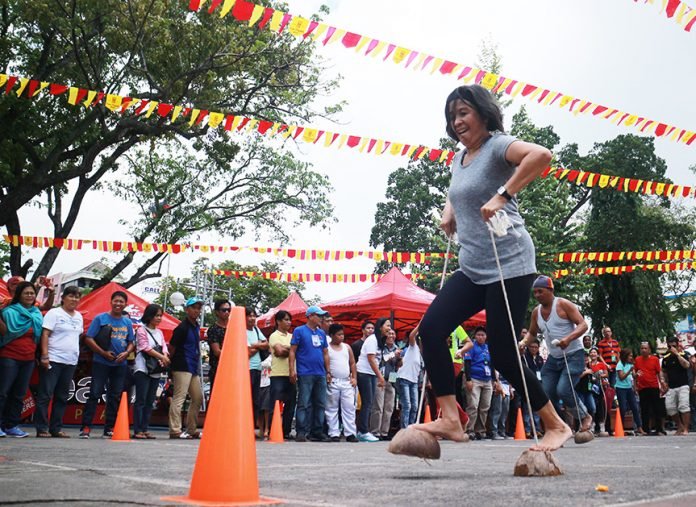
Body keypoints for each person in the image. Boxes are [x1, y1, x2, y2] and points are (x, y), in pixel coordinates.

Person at [412, 85, 565, 450]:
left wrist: (503, 194)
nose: (457, 121)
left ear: (482, 112)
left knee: (503, 352)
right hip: (473, 266)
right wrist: (450, 210)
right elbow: (457, 192)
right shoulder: (459, 158)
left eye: (463, 112)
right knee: (430, 331)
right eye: (452, 115)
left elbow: (541, 155)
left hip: (509, 263)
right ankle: (451, 419)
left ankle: (556, 425)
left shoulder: (499, 145)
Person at [524, 275, 591, 437]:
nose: (537, 295)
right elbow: (532, 333)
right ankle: (560, 427)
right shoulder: (536, 312)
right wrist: (523, 342)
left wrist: (568, 339)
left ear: (550, 290)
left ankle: (584, 416)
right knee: (546, 393)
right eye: (535, 292)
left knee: (563, 390)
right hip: (554, 359)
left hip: (573, 355)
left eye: (541, 291)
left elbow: (583, 325)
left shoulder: (563, 304)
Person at [80, 290, 135, 439]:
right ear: (111, 302)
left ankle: (109, 427)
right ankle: (86, 427)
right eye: (116, 301)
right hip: (101, 362)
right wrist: (103, 353)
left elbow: (131, 341)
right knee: (94, 394)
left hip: (120, 364)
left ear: (125, 304)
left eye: (121, 302)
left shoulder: (127, 322)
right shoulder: (100, 318)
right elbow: (89, 338)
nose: (118, 304)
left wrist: (126, 353)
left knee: (115, 396)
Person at [34, 286, 83, 438]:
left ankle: (56, 428)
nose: (74, 299)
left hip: (71, 361)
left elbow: (78, 336)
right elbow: (45, 334)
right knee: (45, 394)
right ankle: (42, 428)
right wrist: (44, 355)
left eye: (77, 297)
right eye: (71, 296)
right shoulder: (54, 313)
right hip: (53, 359)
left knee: (62, 396)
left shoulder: (78, 316)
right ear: (63, 297)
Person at [0, 281, 43, 438]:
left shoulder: (36, 313)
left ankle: (11, 425)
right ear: (19, 295)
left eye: (32, 293)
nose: (30, 296)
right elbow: (6, 332)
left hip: (29, 359)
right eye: (26, 293)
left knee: (19, 394)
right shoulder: (8, 312)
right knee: (3, 392)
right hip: (9, 357)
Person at [289, 305, 330, 442]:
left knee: (320, 403)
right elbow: (292, 351)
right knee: (303, 402)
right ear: (311, 316)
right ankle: (301, 431)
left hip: (320, 373)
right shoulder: (299, 331)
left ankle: (316, 431)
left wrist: (328, 371)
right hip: (305, 372)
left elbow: (325, 353)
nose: (321, 318)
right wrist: (292, 369)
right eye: (319, 316)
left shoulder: (321, 333)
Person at [168, 297, 203, 439]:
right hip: (182, 365)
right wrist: (172, 364)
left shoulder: (196, 326)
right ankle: (175, 429)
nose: (196, 310)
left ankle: (191, 428)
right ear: (186, 309)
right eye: (193, 307)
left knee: (198, 397)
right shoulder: (181, 327)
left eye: (198, 308)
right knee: (179, 397)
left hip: (192, 365)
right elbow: (172, 347)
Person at [133, 304, 170, 439]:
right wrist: (162, 357)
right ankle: (137, 430)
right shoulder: (141, 330)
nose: (159, 318)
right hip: (142, 368)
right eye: (156, 315)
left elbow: (164, 347)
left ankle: (145, 428)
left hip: (155, 369)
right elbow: (145, 347)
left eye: (160, 316)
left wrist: (164, 356)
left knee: (150, 400)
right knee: (141, 400)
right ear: (149, 316)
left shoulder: (159, 332)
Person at [355, 317, 391, 442]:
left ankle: (363, 430)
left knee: (369, 403)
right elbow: (370, 359)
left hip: (370, 374)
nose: (389, 328)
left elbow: (377, 360)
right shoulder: (372, 339)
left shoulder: (379, 340)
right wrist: (380, 377)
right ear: (380, 327)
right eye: (387, 325)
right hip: (364, 373)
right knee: (367, 402)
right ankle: (362, 431)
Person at [325, 323, 358, 442]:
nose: (341, 337)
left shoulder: (347, 347)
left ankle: (350, 433)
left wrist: (354, 377)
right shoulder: (327, 348)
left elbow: (352, 363)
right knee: (331, 408)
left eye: (343, 334)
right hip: (333, 381)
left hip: (346, 381)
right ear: (332, 335)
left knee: (349, 407)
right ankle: (334, 433)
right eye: (339, 335)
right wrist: (327, 374)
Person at [463, 327, 494, 440]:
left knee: (485, 406)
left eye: (483, 335)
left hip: (487, 379)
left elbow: (492, 365)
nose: (481, 337)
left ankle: (480, 430)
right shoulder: (471, 346)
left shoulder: (488, 348)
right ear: (475, 336)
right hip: (474, 378)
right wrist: (468, 379)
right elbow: (467, 363)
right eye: (478, 335)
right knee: (473, 405)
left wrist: (494, 380)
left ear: (486, 337)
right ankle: (469, 429)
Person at [269, 310, 296, 440]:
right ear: (278, 321)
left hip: (291, 373)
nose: (288, 322)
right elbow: (279, 352)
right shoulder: (274, 335)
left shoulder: (292, 336)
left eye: (289, 320)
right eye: (285, 319)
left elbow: (295, 351)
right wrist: (291, 350)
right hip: (277, 374)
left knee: (290, 405)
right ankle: (272, 430)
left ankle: (286, 431)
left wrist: (288, 350)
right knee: (275, 404)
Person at [370, 328, 401, 440]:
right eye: (389, 333)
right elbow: (383, 359)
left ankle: (384, 432)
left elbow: (397, 365)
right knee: (378, 406)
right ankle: (375, 432)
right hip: (380, 378)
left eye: (393, 333)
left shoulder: (397, 348)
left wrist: (399, 359)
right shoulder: (381, 347)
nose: (391, 335)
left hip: (391, 378)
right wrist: (393, 354)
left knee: (389, 407)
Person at [634, 341, 666, 436]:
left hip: (653, 386)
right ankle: (646, 429)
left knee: (657, 409)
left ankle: (659, 429)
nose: (643, 350)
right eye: (642, 348)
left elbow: (659, 372)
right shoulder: (637, 359)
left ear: (649, 350)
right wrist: (635, 384)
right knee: (644, 409)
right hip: (642, 388)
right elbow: (635, 373)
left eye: (645, 348)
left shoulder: (655, 359)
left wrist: (662, 383)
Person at [246, 306, 269, 437]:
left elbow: (266, 344)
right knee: (247, 399)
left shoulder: (256, 329)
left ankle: (253, 428)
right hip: (246, 368)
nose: (252, 318)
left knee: (256, 401)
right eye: (249, 315)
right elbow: (247, 352)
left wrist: (254, 345)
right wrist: (258, 346)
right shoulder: (241, 331)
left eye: (254, 315)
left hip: (258, 368)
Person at [661, 336, 691, 435]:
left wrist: (677, 355)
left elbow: (686, 365)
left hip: (683, 385)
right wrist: (663, 382)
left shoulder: (684, 355)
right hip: (671, 386)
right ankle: (680, 426)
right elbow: (664, 371)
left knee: (684, 406)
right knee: (670, 408)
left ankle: (686, 428)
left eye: (674, 346)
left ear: (678, 345)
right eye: (670, 347)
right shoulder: (666, 358)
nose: (672, 348)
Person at [397, 326, 423, 429]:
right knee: (407, 405)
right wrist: (420, 324)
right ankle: (404, 430)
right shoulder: (413, 347)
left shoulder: (420, 353)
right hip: (404, 379)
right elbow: (412, 335)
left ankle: (411, 428)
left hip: (414, 381)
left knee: (415, 406)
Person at [615, 347, 645, 436]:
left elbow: (633, 376)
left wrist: (637, 374)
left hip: (629, 388)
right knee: (623, 408)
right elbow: (621, 377)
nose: (631, 357)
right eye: (630, 356)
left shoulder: (630, 364)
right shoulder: (620, 365)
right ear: (625, 356)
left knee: (635, 407)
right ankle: (621, 427)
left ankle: (639, 427)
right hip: (621, 388)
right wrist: (629, 371)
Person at [206, 299, 231, 390]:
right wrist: (234, 355)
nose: (227, 312)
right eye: (224, 310)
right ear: (217, 312)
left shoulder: (234, 328)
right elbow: (217, 352)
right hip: (218, 369)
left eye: (229, 310)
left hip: (233, 368)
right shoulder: (213, 329)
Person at [521, 339, 544, 437]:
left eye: (536, 347)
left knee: (537, 409)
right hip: (528, 385)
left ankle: (537, 430)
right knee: (527, 409)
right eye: (532, 347)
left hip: (538, 385)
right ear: (528, 347)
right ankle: (527, 430)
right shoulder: (524, 358)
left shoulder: (539, 359)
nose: (534, 349)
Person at [588, 347, 611, 436]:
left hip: (599, 387)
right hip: (590, 387)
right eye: (592, 352)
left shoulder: (601, 364)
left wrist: (598, 375)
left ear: (597, 355)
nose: (593, 354)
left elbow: (606, 373)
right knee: (592, 407)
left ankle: (601, 426)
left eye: (594, 352)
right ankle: (592, 426)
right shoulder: (588, 364)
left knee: (600, 406)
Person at [489, 372, 512, 439]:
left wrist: (510, 389)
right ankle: (494, 431)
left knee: (505, 412)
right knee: (497, 410)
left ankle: (502, 431)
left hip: (506, 387)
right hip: (498, 387)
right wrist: (497, 383)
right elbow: (494, 372)